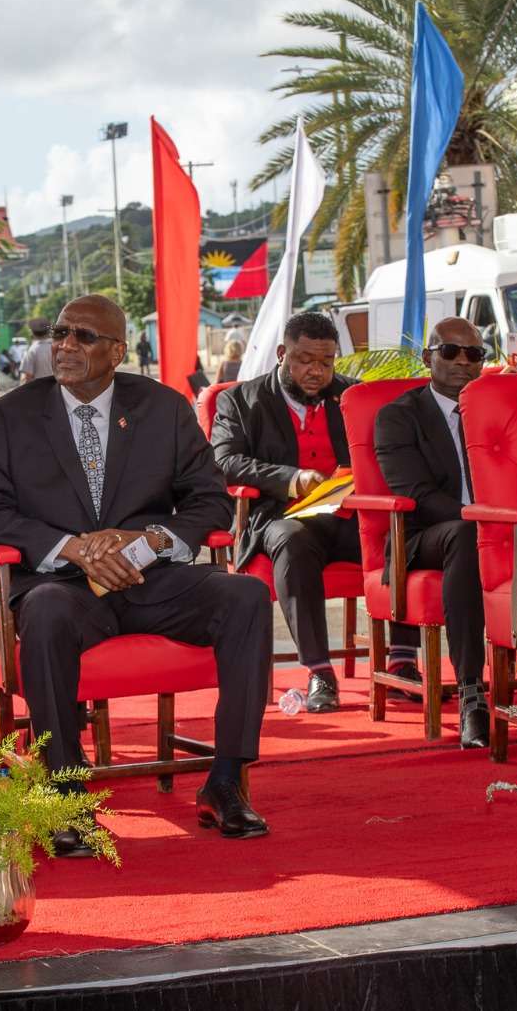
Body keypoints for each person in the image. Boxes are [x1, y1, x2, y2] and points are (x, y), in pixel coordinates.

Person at [0, 294, 271, 849]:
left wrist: (149, 539)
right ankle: (66, 792)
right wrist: (72, 548)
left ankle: (225, 781)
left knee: (246, 595)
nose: (65, 346)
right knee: (47, 610)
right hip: (64, 585)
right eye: (60, 333)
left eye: (83, 337)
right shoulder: (9, 417)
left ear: (117, 352)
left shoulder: (163, 408)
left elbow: (210, 501)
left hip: (150, 578)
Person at [213, 312, 410, 713]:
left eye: (326, 362)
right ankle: (320, 671)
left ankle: (403, 660)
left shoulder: (353, 396)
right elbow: (224, 461)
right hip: (282, 516)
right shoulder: (241, 400)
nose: (316, 371)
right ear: (283, 353)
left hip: (350, 515)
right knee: (293, 541)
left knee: (402, 532)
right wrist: (290, 477)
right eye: (305, 360)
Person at [372, 318, 492, 748]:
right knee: (464, 533)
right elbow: (416, 493)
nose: (463, 361)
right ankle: (471, 695)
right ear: (429, 357)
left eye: (474, 354)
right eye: (450, 352)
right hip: (423, 537)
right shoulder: (399, 417)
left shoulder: (496, 409)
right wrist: (484, 518)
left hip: (497, 527)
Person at [20, 319, 54, 383]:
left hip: (40, 389)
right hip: (59, 389)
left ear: (32, 333)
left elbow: (27, 377)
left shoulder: (32, 350)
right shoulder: (58, 347)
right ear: (49, 332)